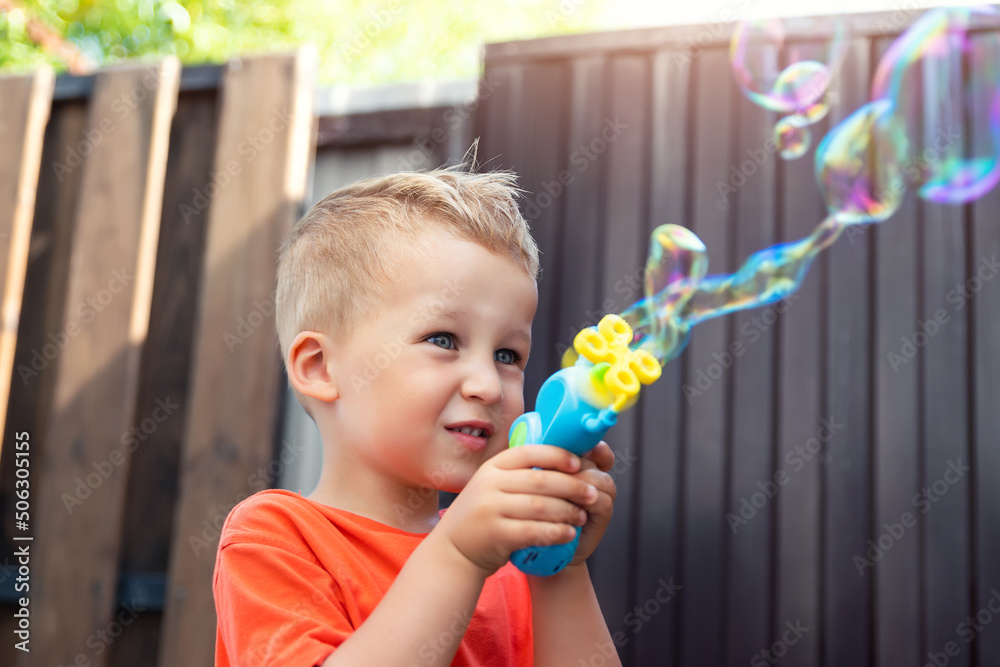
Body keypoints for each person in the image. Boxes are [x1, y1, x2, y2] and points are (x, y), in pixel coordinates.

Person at [213, 165, 622, 666]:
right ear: (320, 368)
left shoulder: (506, 555)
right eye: (443, 340)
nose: (487, 385)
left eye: (508, 355)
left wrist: (560, 565)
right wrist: (458, 556)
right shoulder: (277, 537)